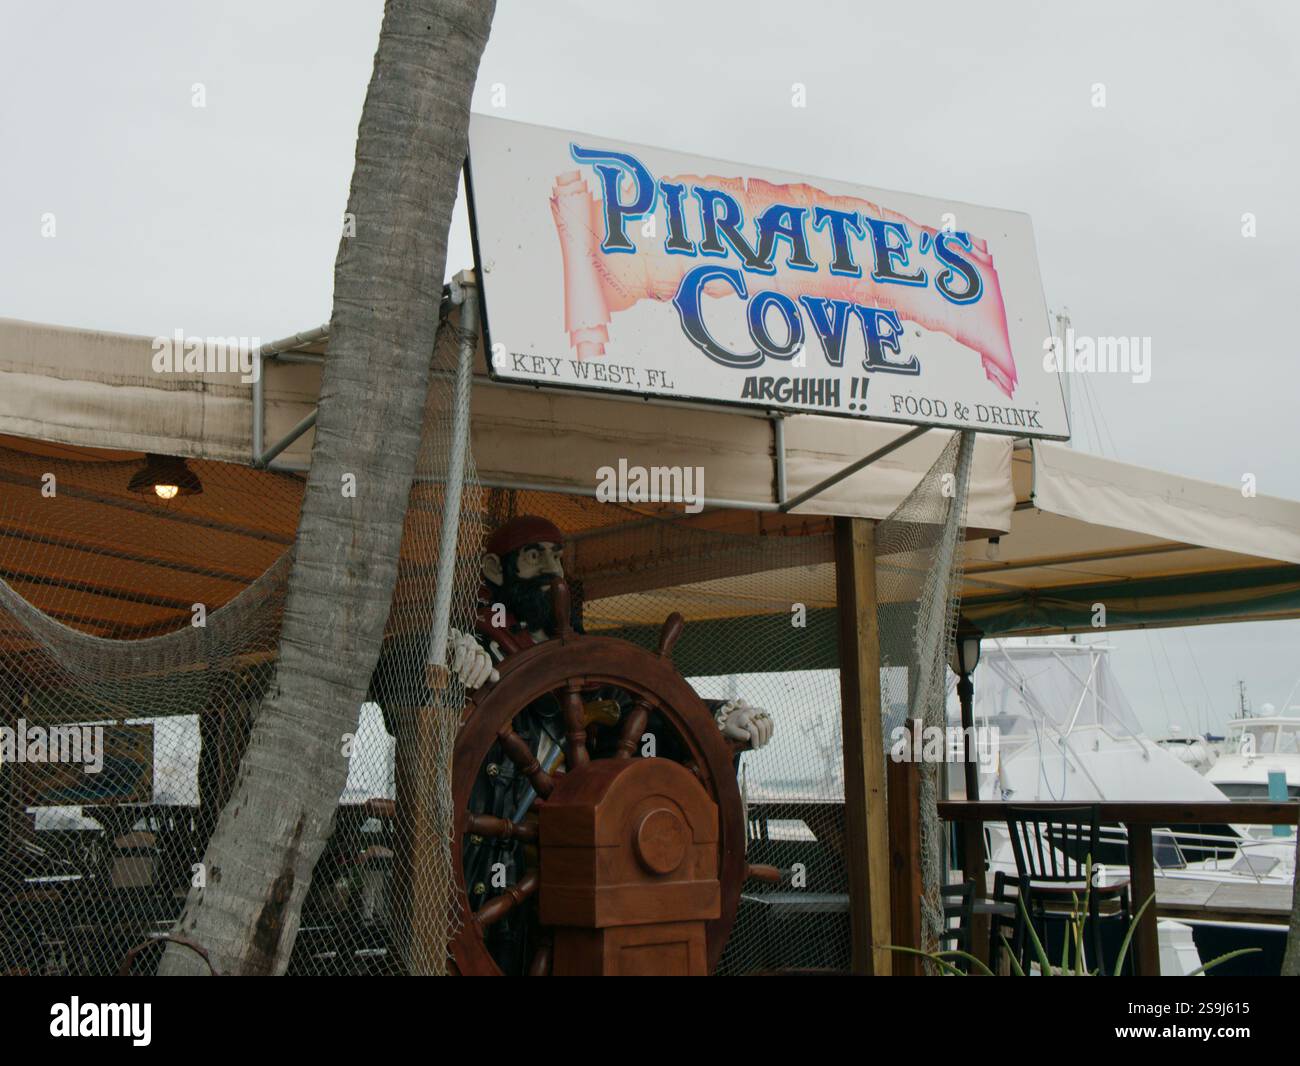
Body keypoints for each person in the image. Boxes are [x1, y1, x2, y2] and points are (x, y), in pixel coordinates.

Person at [448, 514, 773, 972]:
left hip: (582, 868)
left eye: (557, 557)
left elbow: (648, 710)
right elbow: (394, 676)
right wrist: (446, 663)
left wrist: (719, 720)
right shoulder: (474, 649)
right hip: (483, 868)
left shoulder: (589, 669)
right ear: (494, 570)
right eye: (534, 556)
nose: (552, 569)